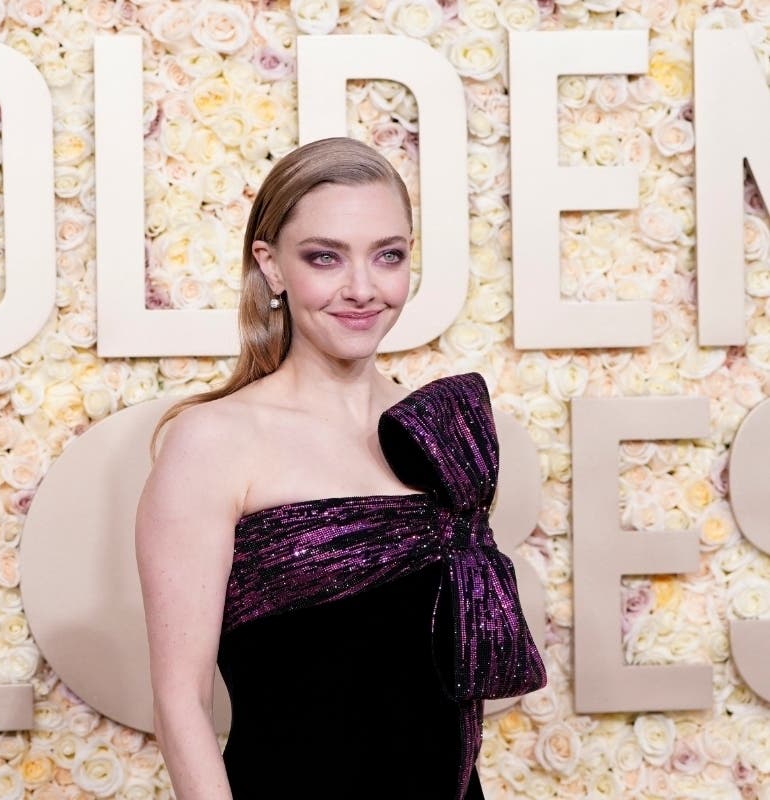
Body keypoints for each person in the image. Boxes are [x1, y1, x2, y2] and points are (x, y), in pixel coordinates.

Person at [135, 137, 546, 799]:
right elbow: (179, 703)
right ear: (270, 267)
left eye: (388, 256)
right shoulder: (214, 441)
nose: (362, 289)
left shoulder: (439, 433)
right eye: (325, 257)